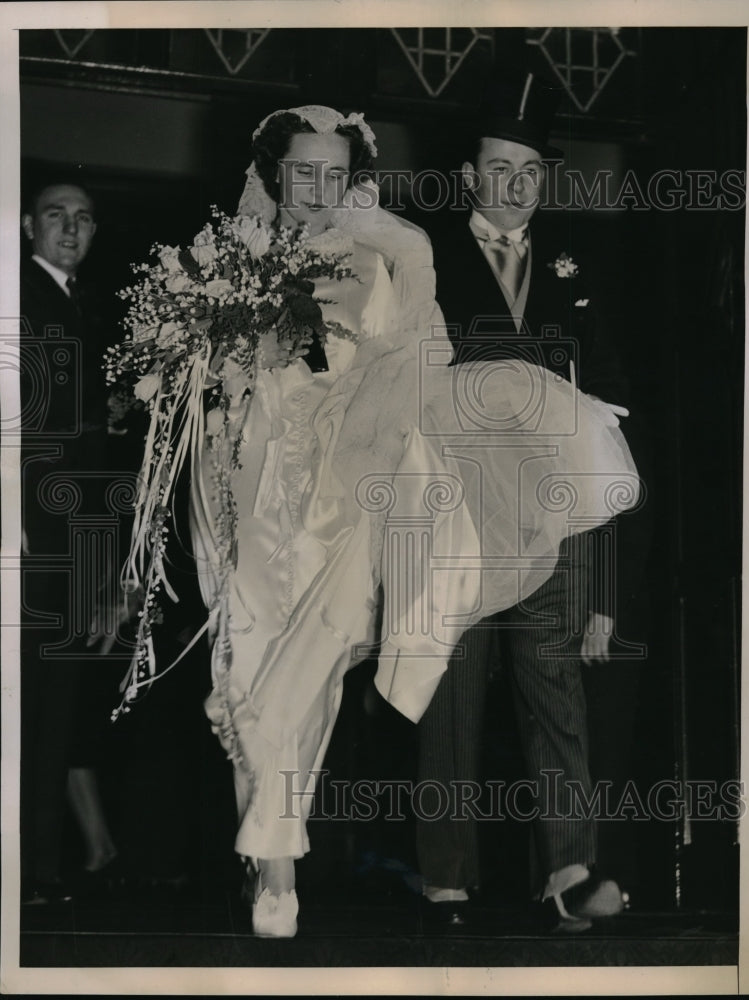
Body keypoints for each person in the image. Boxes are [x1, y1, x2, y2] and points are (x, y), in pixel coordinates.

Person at [123, 104, 638, 939]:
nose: (320, 190)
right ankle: (289, 863)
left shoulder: (389, 254)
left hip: (347, 494)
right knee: (248, 662)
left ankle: (279, 852)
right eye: (304, 173)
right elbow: (187, 392)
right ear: (272, 173)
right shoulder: (221, 259)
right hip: (247, 488)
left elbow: (423, 364)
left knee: (315, 666)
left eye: (337, 174)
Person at [413, 73, 636, 933]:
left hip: (554, 518)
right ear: (469, 175)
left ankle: (568, 871)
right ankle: (446, 882)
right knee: (451, 694)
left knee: (557, 695)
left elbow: (617, 417)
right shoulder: (423, 259)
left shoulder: (582, 265)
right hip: (456, 515)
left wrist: (604, 574)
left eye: (529, 170)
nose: (513, 185)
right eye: (497, 167)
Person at [19, 181, 120, 903]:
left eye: (83, 219)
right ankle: (25, 871)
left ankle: (37, 869)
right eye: (56, 215)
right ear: (28, 224)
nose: (70, 229)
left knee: (56, 702)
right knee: (29, 703)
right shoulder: (18, 296)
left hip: (71, 530)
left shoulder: (85, 305)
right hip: (30, 529)